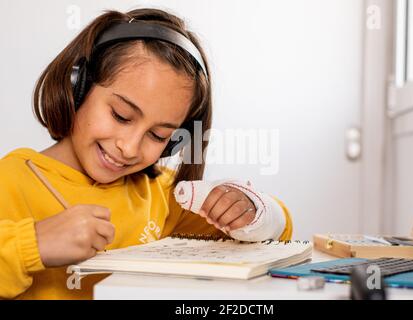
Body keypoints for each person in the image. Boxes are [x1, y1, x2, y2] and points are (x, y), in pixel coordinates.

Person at [0, 8, 292, 299]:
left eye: (158, 135)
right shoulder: (11, 180)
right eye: (121, 116)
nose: (128, 148)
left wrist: (251, 211)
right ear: (78, 87)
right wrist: (32, 245)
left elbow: (276, 235)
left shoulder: (162, 193)